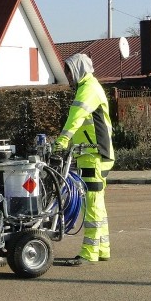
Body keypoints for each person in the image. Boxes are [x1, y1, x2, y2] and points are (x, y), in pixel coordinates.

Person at [54, 54, 115, 265]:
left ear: (78, 69)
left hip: (94, 155)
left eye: (70, 71)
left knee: (92, 204)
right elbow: (83, 125)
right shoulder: (89, 87)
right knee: (98, 203)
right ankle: (103, 248)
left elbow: (76, 117)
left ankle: (89, 252)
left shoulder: (88, 88)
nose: (68, 76)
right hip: (94, 154)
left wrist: (62, 141)